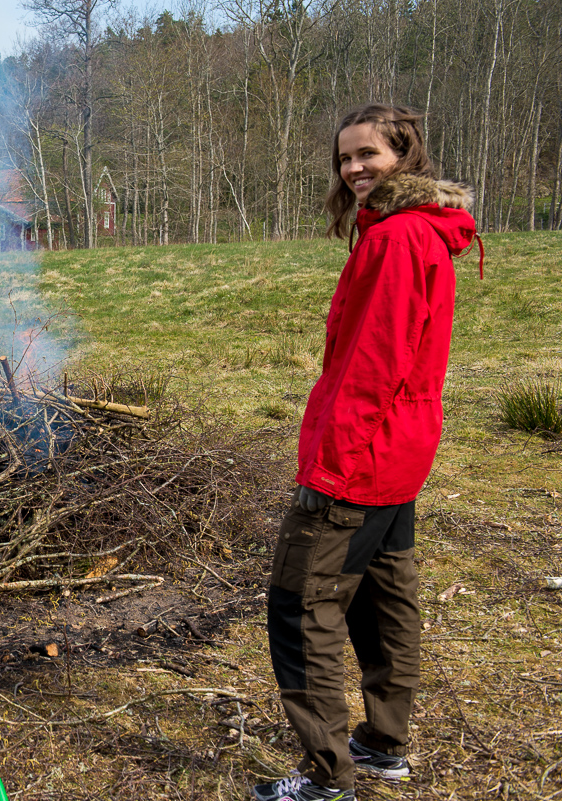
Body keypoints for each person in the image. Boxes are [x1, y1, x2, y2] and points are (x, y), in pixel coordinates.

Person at [252, 104, 478, 801]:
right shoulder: (412, 230)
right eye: (345, 157)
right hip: (398, 452)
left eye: (368, 154)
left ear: (404, 156)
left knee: (300, 607)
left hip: (361, 459)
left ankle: (327, 779)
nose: (353, 168)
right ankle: (382, 746)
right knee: (384, 597)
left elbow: (373, 366)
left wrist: (330, 468)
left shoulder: (398, 239)